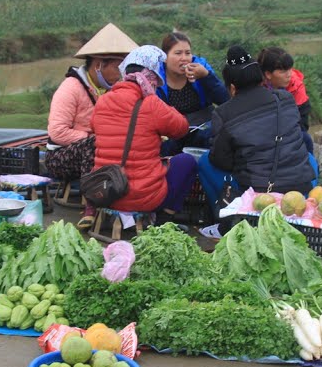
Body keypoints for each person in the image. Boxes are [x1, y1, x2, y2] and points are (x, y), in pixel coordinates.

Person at [82, 45, 197, 229]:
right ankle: (165, 217)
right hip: (143, 198)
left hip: (106, 192)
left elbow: (95, 127)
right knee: (186, 162)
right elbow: (181, 128)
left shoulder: (104, 100)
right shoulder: (152, 104)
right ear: (151, 76)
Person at [198, 44, 316, 218]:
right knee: (310, 159)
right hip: (298, 189)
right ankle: (302, 206)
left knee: (204, 162)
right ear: (261, 78)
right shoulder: (285, 98)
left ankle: (226, 214)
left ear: (232, 87)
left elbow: (220, 160)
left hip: (258, 194)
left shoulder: (223, 113)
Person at [43, 23, 137, 183]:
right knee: (93, 144)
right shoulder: (71, 88)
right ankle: (93, 197)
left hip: (97, 149)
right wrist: (94, 138)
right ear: (99, 65)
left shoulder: (113, 91)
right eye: (117, 68)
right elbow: (57, 132)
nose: (121, 74)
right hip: (61, 157)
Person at [156, 31, 229, 154]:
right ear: (165, 57)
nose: (184, 58)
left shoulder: (201, 68)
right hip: (172, 134)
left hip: (204, 130)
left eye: (188, 53)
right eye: (178, 53)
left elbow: (225, 99)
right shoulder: (156, 77)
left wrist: (206, 76)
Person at [257, 46, 314, 154]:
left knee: (305, 139)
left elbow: (302, 121)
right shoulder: (256, 86)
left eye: (290, 69)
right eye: (283, 71)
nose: (289, 75)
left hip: (290, 128)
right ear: (268, 74)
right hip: (264, 129)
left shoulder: (296, 85)